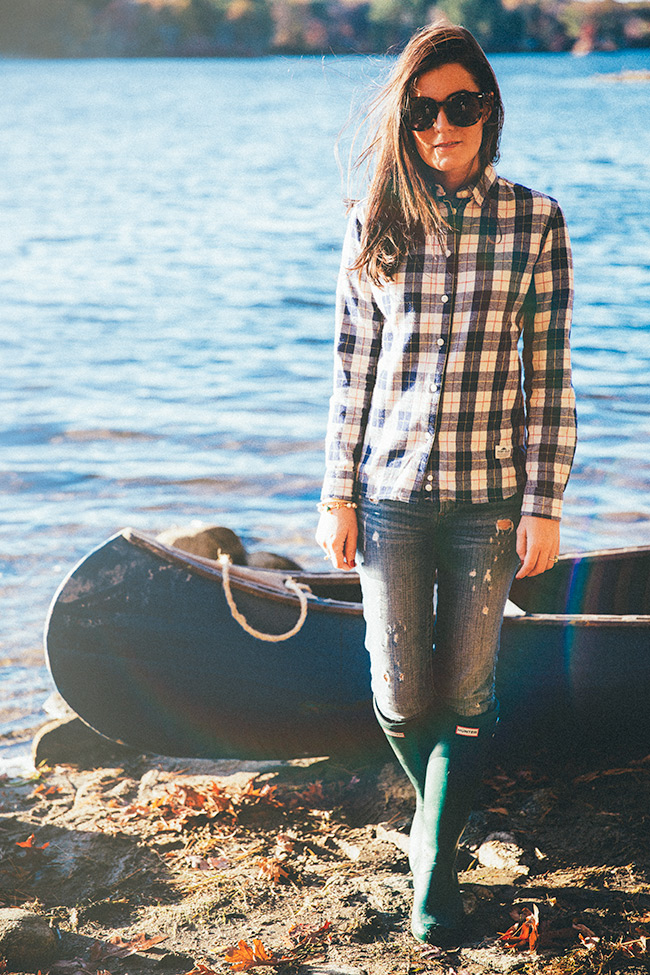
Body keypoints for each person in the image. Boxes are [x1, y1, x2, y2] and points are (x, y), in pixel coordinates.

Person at [315, 22, 577, 945]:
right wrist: (336, 492)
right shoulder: (373, 219)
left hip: (489, 499)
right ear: (404, 121)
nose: (441, 127)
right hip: (387, 494)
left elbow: (549, 373)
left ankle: (432, 855)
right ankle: (441, 814)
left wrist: (544, 503)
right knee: (397, 688)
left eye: (459, 106)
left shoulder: (536, 221)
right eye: (423, 111)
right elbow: (351, 367)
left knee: (467, 689)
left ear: (488, 108)